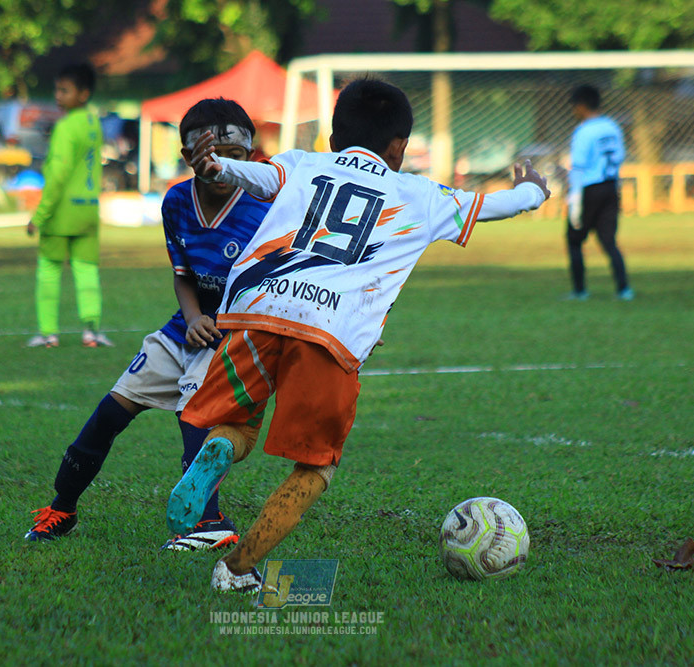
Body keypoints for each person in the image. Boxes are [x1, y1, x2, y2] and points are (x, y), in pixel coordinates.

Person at [166, 78, 550, 592]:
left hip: (255, 312)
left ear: (331, 137)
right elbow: (497, 205)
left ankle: (216, 453)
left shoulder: (304, 163)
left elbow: (256, 178)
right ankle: (237, 569)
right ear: (399, 148)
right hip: (331, 333)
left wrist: (218, 166)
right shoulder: (421, 194)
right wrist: (534, 191)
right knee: (315, 467)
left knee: (240, 425)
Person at [24, 98, 271, 551]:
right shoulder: (177, 201)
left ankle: (208, 524)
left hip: (234, 337)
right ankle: (62, 506)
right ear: (188, 157)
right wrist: (195, 317)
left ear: (253, 159)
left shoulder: (268, 205)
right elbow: (183, 276)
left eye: (236, 159)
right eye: (212, 157)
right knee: (110, 412)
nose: (223, 168)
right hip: (186, 328)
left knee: (192, 415)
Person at [25, 63, 110, 348]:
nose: (58, 96)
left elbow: (58, 174)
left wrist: (38, 215)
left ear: (83, 93)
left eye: (64, 90)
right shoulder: (93, 123)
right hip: (87, 209)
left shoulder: (64, 127)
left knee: (49, 270)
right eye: (57, 90)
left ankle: (48, 333)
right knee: (86, 270)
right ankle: (91, 331)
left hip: (61, 212)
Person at [565, 84, 633, 301]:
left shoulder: (584, 131)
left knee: (574, 240)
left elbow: (578, 167)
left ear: (582, 106)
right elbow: (620, 156)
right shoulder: (612, 126)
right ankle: (624, 289)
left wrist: (574, 200)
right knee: (608, 240)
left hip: (589, 189)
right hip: (611, 188)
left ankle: (579, 291)